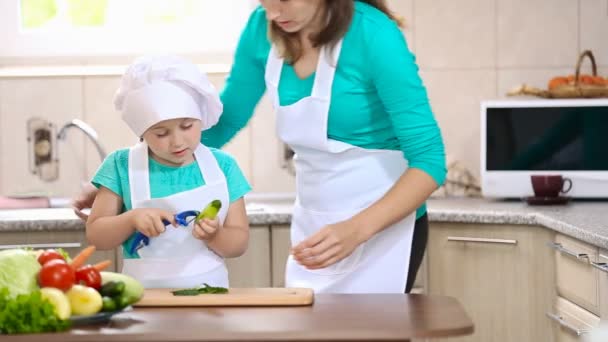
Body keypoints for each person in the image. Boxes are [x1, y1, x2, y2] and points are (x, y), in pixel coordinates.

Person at [75, 0, 446, 294]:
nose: (271, 11)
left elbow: (430, 162)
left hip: (382, 227)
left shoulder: (374, 36)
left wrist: (356, 230)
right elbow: (222, 123)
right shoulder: (262, 28)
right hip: (316, 221)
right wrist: (126, 178)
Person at [85, 55, 251, 288]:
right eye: (161, 133)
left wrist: (216, 236)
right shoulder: (121, 165)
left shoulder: (224, 167)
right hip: (143, 300)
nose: (177, 142)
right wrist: (131, 219)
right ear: (141, 131)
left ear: (200, 119)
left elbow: (239, 242)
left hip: (210, 298)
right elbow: (96, 235)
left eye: (187, 126)